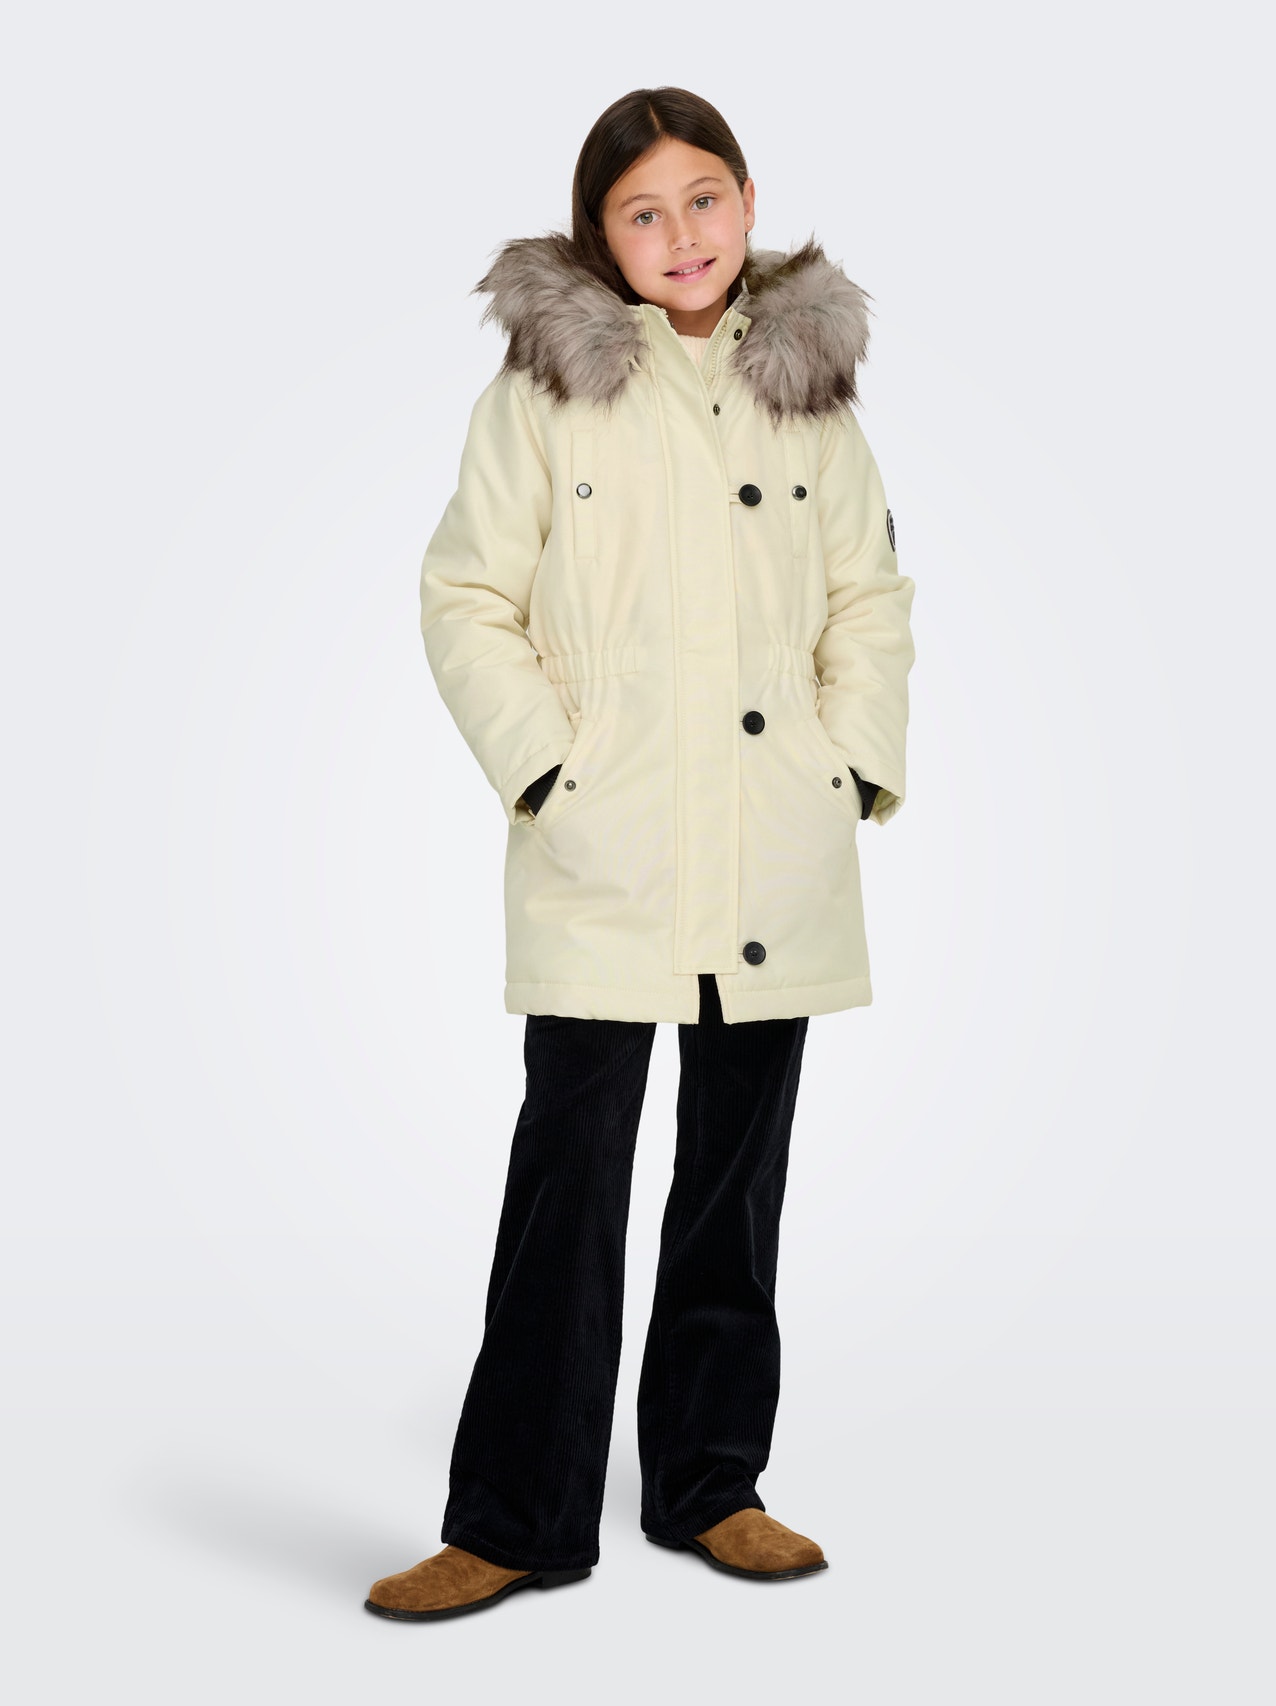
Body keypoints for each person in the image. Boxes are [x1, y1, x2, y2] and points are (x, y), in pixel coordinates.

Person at [365, 85, 916, 1622]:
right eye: (643, 211)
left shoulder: (811, 394)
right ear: (600, 235)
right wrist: (553, 769)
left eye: (704, 198)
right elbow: (466, 594)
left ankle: (711, 1482)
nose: (682, 234)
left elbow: (869, 595)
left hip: (774, 844)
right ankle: (515, 1518)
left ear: (749, 200)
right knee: (570, 1177)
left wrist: (848, 766)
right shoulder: (546, 392)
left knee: (736, 1184)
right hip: (605, 848)